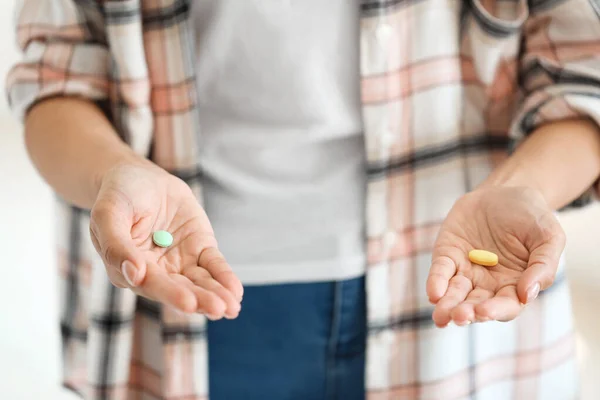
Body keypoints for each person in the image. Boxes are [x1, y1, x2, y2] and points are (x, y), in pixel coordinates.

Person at [7, 0, 600, 399]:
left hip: (459, 308)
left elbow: (582, 72)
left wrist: (522, 189)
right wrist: (117, 171)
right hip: (185, 303)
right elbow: (56, 78)